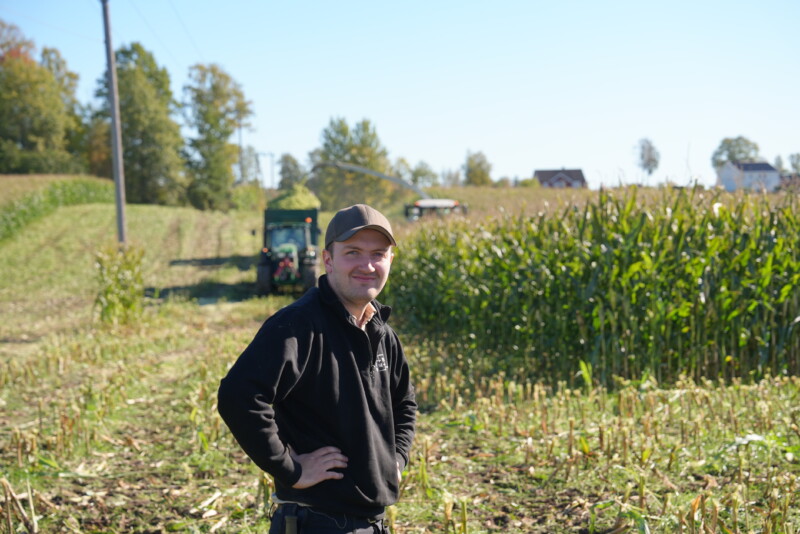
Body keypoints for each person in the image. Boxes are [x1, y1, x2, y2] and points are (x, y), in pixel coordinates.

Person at [218, 204, 417, 534]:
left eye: (378, 254)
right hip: (317, 521)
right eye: (353, 252)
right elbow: (239, 397)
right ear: (328, 259)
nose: (367, 265)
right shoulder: (297, 325)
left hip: (371, 523)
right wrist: (291, 468)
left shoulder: (383, 334)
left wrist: (397, 459)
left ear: (390, 262)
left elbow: (404, 404)